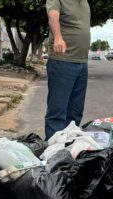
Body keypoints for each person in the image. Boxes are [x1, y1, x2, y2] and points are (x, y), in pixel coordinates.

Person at [45, 0, 91, 140]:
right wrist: (58, 38)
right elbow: (53, 15)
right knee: (57, 112)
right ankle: (54, 151)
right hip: (62, 61)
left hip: (82, 63)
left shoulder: (84, 2)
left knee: (75, 113)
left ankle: (69, 146)